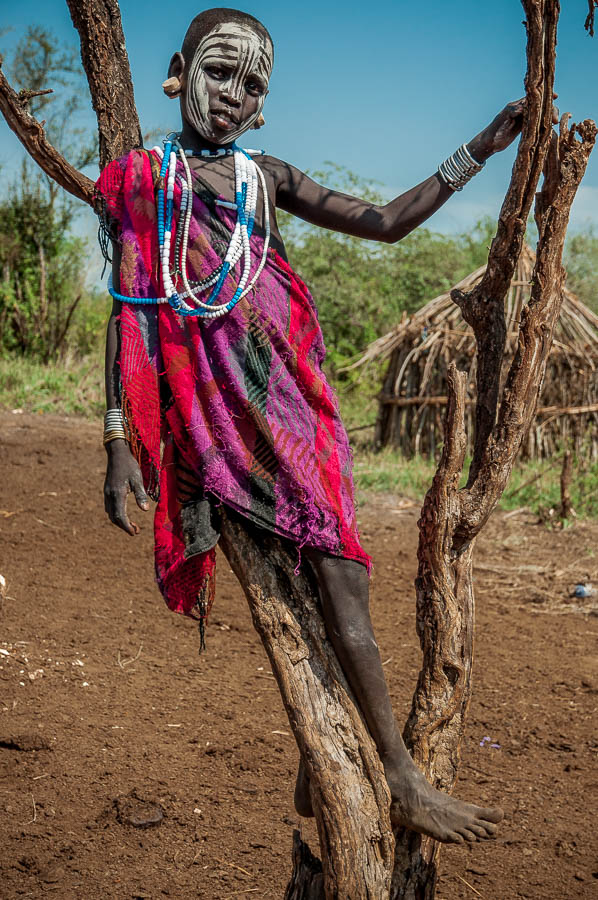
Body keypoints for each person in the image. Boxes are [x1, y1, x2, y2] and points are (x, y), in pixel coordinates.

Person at [97, 7, 525, 844]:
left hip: (292, 394)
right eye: (220, 73)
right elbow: (131, 311)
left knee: (341, 570)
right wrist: (118, 440)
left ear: (264, 107)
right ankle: (396, 771)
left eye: (252, 85)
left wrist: (480, 146)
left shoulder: (267, 177)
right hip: (211, 408)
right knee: (318, 578)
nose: (232, 95)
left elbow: (386, 221)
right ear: (178, 72)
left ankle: (383, 765)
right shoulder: (144, 179)